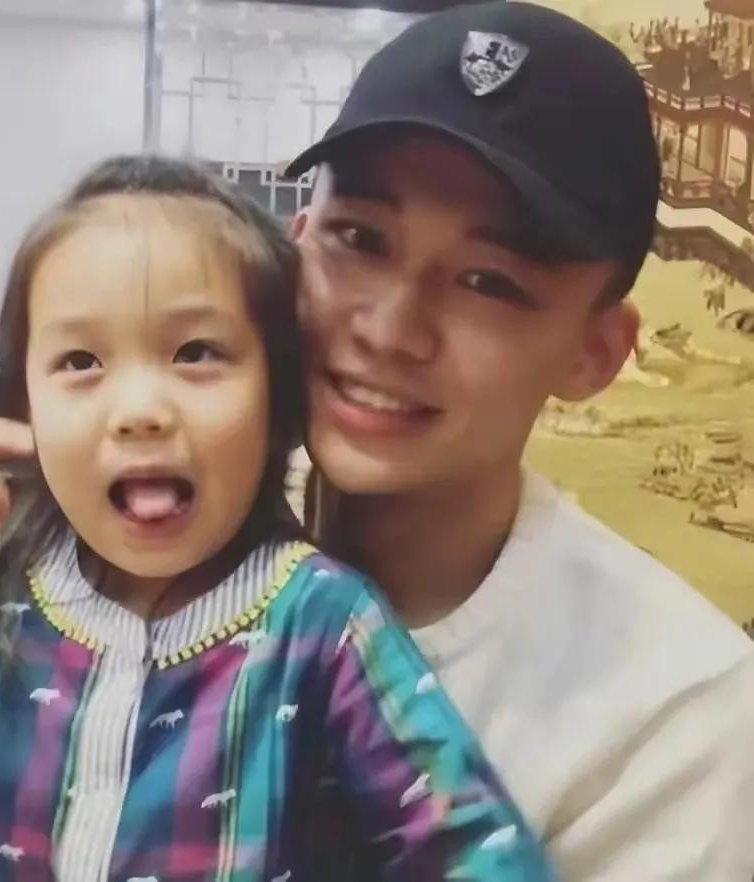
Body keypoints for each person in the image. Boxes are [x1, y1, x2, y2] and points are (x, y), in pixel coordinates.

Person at [0, 155, 556, 882]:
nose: (138, 410)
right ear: (28, 405)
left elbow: (474, 851)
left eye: (197, 353)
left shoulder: (327, 627)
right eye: (80, 361)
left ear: (278, 405)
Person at [284, 2, 754, 880]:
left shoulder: (675, 715)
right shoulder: (150, 542)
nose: (390, 329)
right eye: (360, 239)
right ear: (296, 246)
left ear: (595, 352)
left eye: (488, 282)